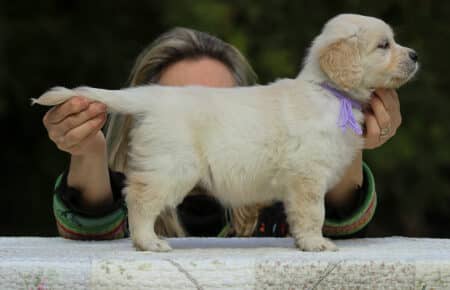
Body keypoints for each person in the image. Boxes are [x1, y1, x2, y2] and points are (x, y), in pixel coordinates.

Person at [42, 28, 402, 240]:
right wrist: (87, 151)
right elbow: (93, 228)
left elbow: (340, 221)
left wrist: (350, 128)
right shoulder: (127, 196)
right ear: (138, 126)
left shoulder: (275, 206)